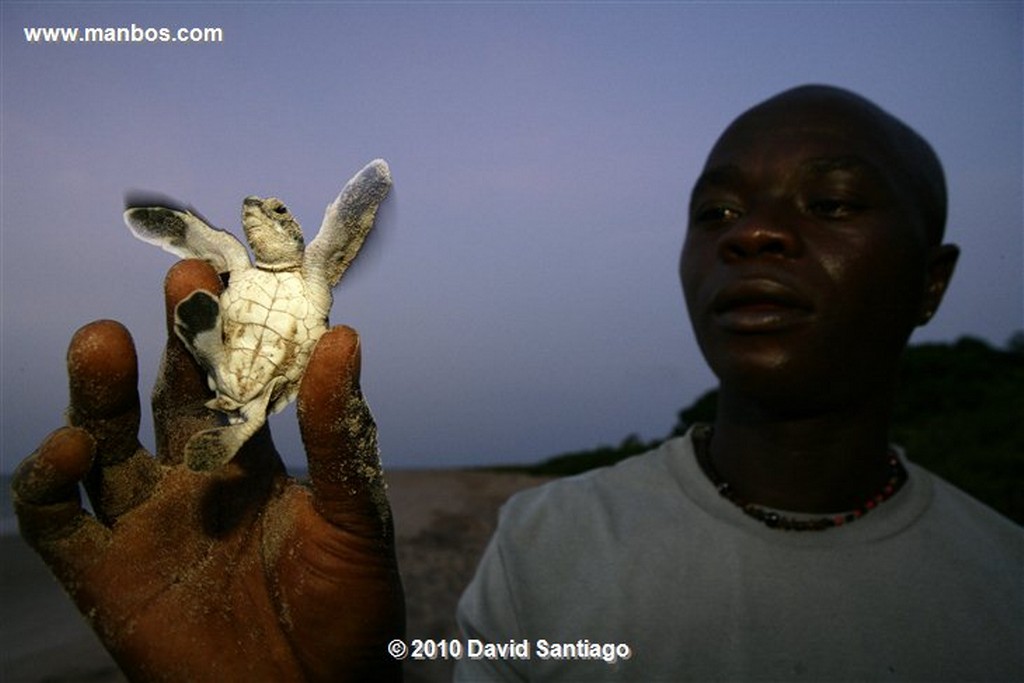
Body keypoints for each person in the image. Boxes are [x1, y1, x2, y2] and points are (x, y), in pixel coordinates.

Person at [13, 85, 1022, 682]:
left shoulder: (1003, 591)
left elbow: (345, 220)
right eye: (713, 212)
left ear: (930, 280)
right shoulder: (548, 537)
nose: (752, 231)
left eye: (832, 201)